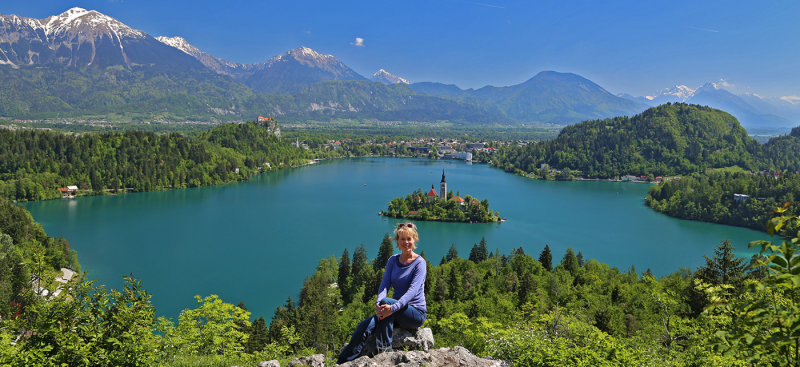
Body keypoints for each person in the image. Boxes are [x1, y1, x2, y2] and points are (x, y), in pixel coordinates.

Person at [337, 222, 428, 363]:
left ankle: (384, 353)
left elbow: (412, 291)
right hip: (393, 310)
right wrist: (379, 303)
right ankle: (342, 362)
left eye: (409, 239)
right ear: (397, 241)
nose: (406, 242)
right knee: (364, 326)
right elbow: (384, 285)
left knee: (386, 304)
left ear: (414, 239)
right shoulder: (393, 260)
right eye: (402, 239)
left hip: (415, 313)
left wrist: (392, 308)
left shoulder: (419, 263)